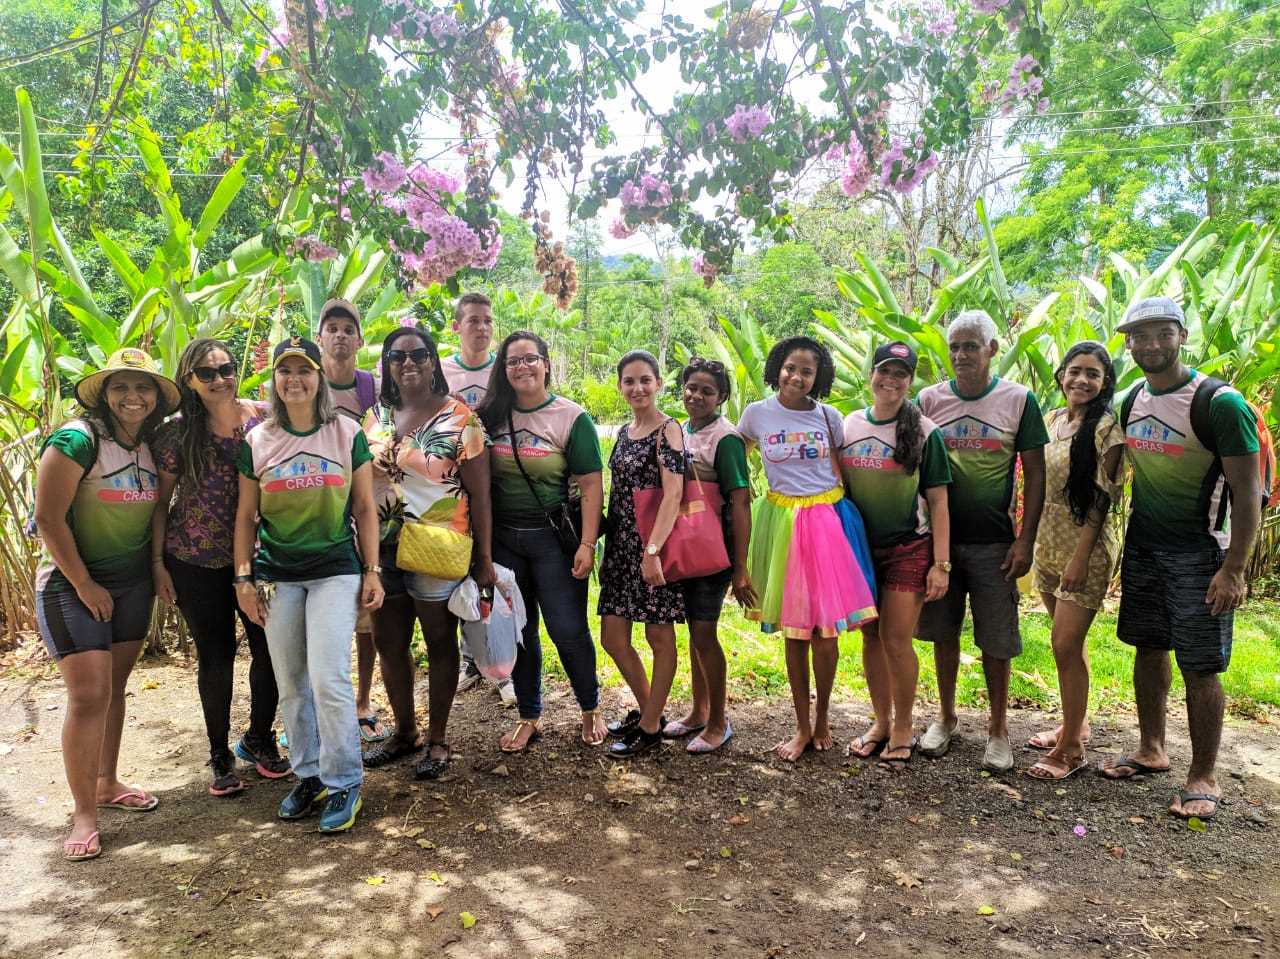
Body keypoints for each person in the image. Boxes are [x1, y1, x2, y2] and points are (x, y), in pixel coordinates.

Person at [1099, 297, 1260, 821]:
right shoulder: (1130, 400)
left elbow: (1248, 490)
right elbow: (1118, 464)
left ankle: (1203, 776)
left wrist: (1233, 569)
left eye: (1160, 333)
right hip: (1146, 546)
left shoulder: (1219, 404)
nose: (1149, 345)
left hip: (1201, 552)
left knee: (1201, 665)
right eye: (1138, 336)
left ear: (1182, 335)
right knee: (1148, 648)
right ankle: (1151, 748)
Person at [34, 348, 179, 861]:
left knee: (115, 688)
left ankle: (107, 783)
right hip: (72, 585)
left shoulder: (151, 446)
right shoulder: (78, 439)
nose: (132, 397)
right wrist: (84, 584)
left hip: (131, 584)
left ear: (156, 398)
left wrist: (156, 568)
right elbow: (48, 520)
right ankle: (84, 813)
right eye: (121, 387)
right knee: (90, 694)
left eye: (143, 388)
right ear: (105, 394)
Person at [234, 337, 384, 833]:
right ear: (274, 381)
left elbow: (364, 507)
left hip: (336, 569)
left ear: (319, 377)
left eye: (304, 370)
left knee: (328, 678)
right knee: (292, 684)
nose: (294, 379)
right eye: (285, 371)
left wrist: (372, 570)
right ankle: (310, 774)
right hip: (277, 574)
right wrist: (244, 578)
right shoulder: (257, 441)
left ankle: (344, 779)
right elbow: (245, 516)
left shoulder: (345, 433)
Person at [151, 339, 289, 797]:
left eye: (226, 369)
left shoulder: (262, 418)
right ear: (188, 380)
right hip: (193, 557)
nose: (219, 380)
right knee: (216, 656)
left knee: (269, 649)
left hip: (257, 554)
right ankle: (218, 754)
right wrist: (157, 563)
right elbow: (160, 503)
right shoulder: (176, 433)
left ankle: (259, 738)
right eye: (206, 373)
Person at [359, 326, 496, 779]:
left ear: (434, 361)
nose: (409, 363)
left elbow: (480, 496)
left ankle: (437, 740)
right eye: (398, 356)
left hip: (439, 546)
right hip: (383, 547)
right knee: (388, 642)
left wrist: (484, 562)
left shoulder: (461, 418)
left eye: (419, 355)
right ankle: (404, 732)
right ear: (387, 365)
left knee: (439, 641)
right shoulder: (374, 416)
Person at [915, 310, 1048, 772]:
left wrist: (1025, 540)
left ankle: (998, 729)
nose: (961, 354)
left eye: (971, 345)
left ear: (992, 349)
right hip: (940, 545)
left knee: (996, 638)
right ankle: (946, 717)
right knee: (941, 631)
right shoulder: (928, 400)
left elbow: (1035, 473)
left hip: (995, 542)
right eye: (954, 347)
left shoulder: (1018, 400)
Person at [737, 336, 878, 762]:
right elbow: (735, 457)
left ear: (819, 377)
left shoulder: (830, 417)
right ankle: (800, 725)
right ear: (777, 366)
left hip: (827, 524)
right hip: (780, 525)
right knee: (795, 632)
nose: (796, 377)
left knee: (826, 632)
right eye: (790, 367)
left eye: (807, 371)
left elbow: (844, 469)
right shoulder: (756, 414)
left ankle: (822, 720)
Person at [478, 331, 607, 751]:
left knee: (567, 629)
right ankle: (529, 714)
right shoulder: (489, 416)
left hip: (554, 540)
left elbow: (590, 485)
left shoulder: (572, 418)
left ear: (546, 364)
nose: (522, 367)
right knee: (521, 631)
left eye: (530, 359)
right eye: (513, 361)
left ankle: (590, 707)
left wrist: (587, 544)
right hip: (504, 542)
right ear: (504, 369)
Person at [840, 342, 952, 770]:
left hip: (909, 548)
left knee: (896, 639)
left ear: (910, 381)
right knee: (870, 636)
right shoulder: (849, 426)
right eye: (884, 371)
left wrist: (941, 565)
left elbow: (939, 503)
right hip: (862, 550)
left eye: (900, 374)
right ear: (871, 375)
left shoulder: (926, 432)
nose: (890, 380)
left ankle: (904, 725)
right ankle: (881, 722)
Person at [1025, 342, 1125, 780]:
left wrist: (1081, 558)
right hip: (1047, 544)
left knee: (1064, 644)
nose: (1082, 380)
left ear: (1105, 383)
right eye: (1075, 371)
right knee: (1071, 644)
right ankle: (1075, 723)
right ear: (1061, 374)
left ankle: (1072, 749)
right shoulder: (1051, 421)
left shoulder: (1106, 430)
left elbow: (1104, 500)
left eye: (1093, 374)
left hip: (1084, 550)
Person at [662, 358, 754, 754]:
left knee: (704, 633)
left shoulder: (726, 438)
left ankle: (719, 722)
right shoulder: (678, 430)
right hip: (684, 547)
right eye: (690, 387)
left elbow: (741, 503)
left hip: (713, 552)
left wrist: (741, 567)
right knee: (694, 635)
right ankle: (699, 711)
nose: (696, 396)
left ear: (722, 397)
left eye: (707, 391)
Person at [598, 350, 687, 759]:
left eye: (645, 380)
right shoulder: (623, 432)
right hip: (620, 548)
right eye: (629, 381)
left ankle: (651, 725)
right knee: (614, 637)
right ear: (620, 385)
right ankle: (652, 709)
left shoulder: (669, 430)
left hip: (654, 546)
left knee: (657, 635)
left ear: (658, 384)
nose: (638, 388)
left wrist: (652, 550)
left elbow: (674, 494)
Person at [317, 298, 389, 745]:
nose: (341, 335)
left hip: (364, 508)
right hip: (313, 512)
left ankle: (362, 701)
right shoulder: (301, 379)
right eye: (333, 328)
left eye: (349, 329)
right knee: (318, 617)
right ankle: (321, 711)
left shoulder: (372, 390)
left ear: (360, 340)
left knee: (368, 614)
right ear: (320, 337)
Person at [441, 292, 515, 706]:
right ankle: (467, 660)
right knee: (454, 572)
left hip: (496, 485)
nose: (482, 328)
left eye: (488, 320)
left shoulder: (502, 372)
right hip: (450, 490)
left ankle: (500, 663)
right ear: (457, 326)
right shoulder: (444, 372)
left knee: (490, 569)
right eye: (473, 320)